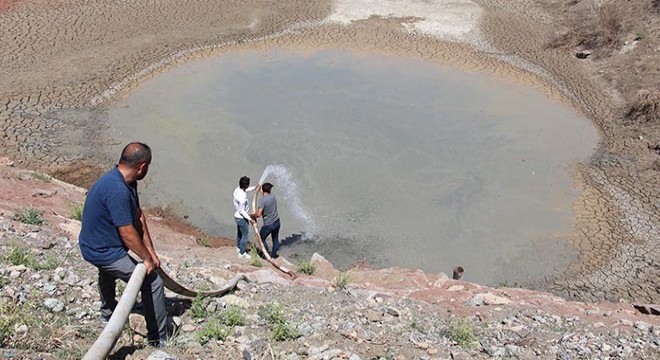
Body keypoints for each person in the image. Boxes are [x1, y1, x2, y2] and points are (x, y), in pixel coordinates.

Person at [78, 142, 167, 347]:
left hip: (103, 243)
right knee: (153, 282)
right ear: (142, 167)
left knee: (108, 273)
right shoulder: (117, 189)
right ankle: (158, 338)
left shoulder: (127, 180)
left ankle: (108, 313)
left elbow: (138, 216)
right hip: (99, 249)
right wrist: (146, 260)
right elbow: (127, 233)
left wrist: (151, 252)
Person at [233, 176, 259, 259]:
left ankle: (238, 247)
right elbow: (242, 211)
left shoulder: (237, 189)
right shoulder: (242, 198)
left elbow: (245, 190)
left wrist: (254, 188)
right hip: (241, 218)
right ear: (246, 185)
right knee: (245, 235)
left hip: (237, 216)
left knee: (240, 233)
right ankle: (242, 253)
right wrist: (250, 219)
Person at [252, 182, 281, 258]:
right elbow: (265, 194)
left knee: (261, 238)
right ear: (270, 190)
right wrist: (260, 189)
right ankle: (274, 255)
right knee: (275, 239)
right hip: (277, 222)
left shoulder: (262, 201)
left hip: (269, 225)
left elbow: (258, 214)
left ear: (263, 190)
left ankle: (266, 254)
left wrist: (251, 215)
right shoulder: (273, 197)